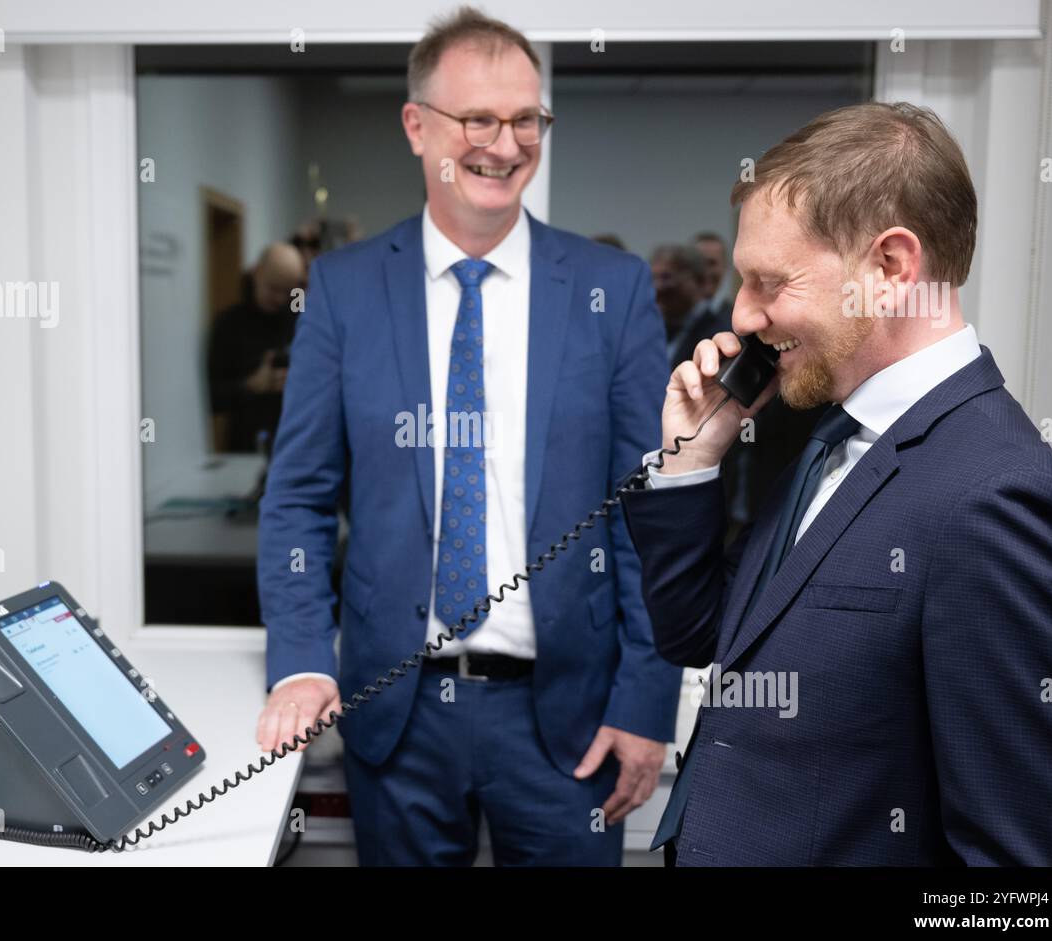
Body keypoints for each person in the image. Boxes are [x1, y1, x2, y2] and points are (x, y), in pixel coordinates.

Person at [256, 6, 680, 866]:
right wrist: (302, 659)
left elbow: (649, 512)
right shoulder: (343, 292)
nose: (506, 141)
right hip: (397, 721)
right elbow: (297, 498)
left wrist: (647, 698)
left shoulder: (613, 290)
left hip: (570, 725)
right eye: (477, 118)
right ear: (418, 127)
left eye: (527, 118)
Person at [623, 102, 1052, 865]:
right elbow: (700, 635)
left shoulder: (998, 499)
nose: (742, 318)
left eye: (769, 282)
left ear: (890, 268)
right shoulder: (829, 440)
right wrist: (691, 459)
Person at [206, 242, 307, 451]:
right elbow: (210, 398)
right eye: (273, 288)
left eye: (287, 291)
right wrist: (251, 385)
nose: (280, 298)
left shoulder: (300, 320)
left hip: (294, 442)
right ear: (257, 273)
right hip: (245, 446)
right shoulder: (228, 324)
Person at [651, 243, 726, 368]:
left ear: (699, 281)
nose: (657, 287)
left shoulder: (719, 332)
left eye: (666, 277)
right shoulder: (650, 328)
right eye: (653, 278)